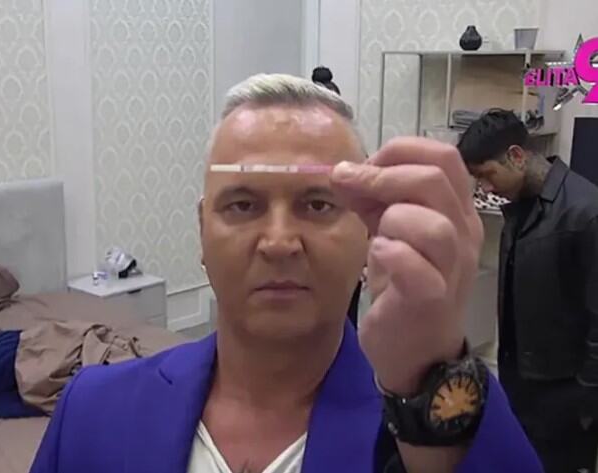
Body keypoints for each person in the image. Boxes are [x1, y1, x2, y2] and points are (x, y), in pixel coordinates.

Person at [30, 75, 540, 472]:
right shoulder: (91, 411)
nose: (278, 242)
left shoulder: (439, 433)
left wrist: (430, 378)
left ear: (368, 235)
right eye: (243, 204)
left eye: (318, 205)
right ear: (202, 232)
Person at [458, 108, 598, 473]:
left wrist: (586, 404)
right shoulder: (519, 209)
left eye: (487, 175)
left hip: (566, 398)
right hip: (522, 384)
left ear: (516, 156)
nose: (486, 189)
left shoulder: (586, 213)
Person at [311, 66, 363, 328]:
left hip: (343, 250)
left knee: (345, 320)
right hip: (312, 251)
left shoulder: (353, 154)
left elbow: (363, 207)